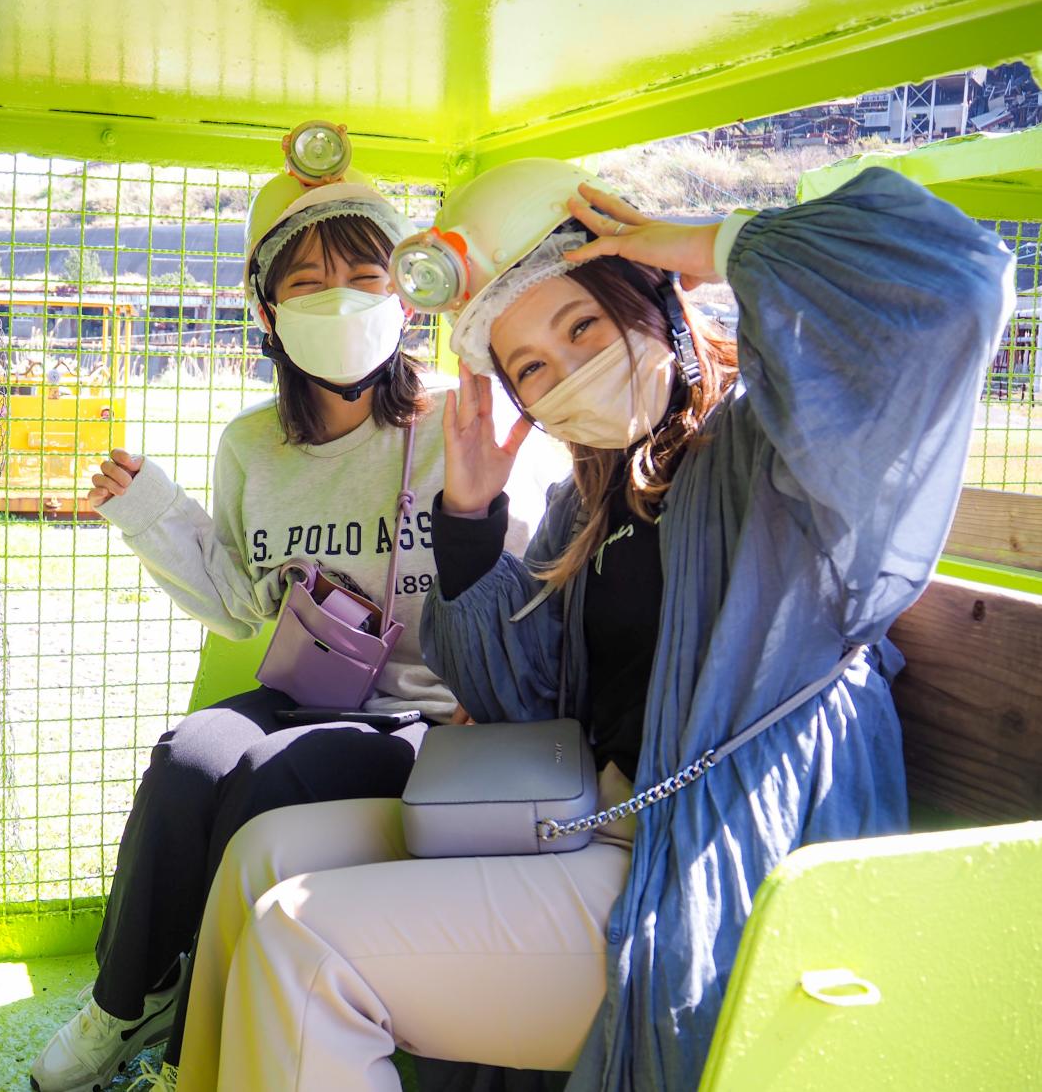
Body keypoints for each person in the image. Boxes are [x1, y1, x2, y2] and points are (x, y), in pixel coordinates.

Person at [171, 160, 1014, 1092]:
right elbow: (510, 697)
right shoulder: (596, 500)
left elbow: (955, 274)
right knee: (262, 856)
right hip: (589, 817)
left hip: (714, 858)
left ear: (648, 295)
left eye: (581, 324)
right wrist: (468, 519)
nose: (566, 370)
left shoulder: (778, 457)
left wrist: (710, 245)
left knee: (305, 943)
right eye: (531, 364)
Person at [28, 124, 552, 1092]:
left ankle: (208, 1038)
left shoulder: (462, 423)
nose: (342, 298)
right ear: (265, 313)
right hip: (313, 687)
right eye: (307, 282)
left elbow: (532, 602)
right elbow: (238, 609)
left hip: (435, 718)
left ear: (405, 293)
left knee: (274, 775)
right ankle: (124, 997)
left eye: (367, 273)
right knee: (189, 755)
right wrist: (151, 511)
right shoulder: (249, 445)